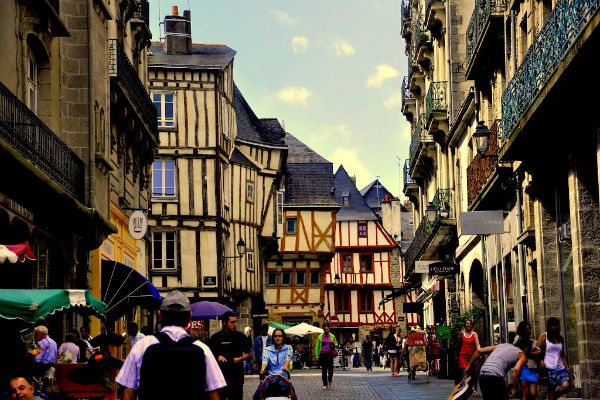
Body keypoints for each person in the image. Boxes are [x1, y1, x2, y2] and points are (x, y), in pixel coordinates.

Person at [115, 290, 226, 400]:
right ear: (190, 318)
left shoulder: (142, 346)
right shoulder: (203, 349)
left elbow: (129, 391)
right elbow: (213, 395)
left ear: (160, 315)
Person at [209, 311, 252, 400]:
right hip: (221, 375)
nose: (235, 324)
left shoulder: (240, 336)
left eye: (236, 322)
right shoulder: (215, 337)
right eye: (232, 322)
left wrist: (238, 359)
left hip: (237, 375)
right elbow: (210, 355)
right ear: (224, 322)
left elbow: (249, 353)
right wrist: (218, 356)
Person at [537, 317, 570, 400]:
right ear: (549, 326)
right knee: (551, 390)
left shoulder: (560, 338)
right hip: (549, 367)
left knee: (566, 386)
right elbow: (536, 350)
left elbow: (562, 354)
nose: (556, 327)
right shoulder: (544, 336)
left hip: (560, 367)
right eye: (554, 326)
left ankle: (555, 395)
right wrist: (540, 361)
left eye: (557, 326)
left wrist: (566, 367)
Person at [513, 321, 540, 400]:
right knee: (525, 392)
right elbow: (518, 351)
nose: (528, 330)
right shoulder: (518, 339)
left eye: (529, 328)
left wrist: (529, 353)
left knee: (533, 393)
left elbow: (538, 352)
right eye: (526, 328)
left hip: (532, 367)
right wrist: (530, 353)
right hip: (523, 367)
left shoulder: (532, 341)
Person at [458, 320, 481, 392]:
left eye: (470, 324)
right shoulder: (462, 334)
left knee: (473, 373)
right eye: (467, 323)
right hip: (463, 356)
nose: (468, 325)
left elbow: (478, 346)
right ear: (465, 325)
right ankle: (465, 389)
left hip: (472, 356)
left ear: (471, 325)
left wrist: (480, 352)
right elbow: (458, 345)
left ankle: (475, 388)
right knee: (464, 372)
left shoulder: (474, 334)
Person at [314, 322, 338, 389]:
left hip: (330, 354)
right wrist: (317, 356)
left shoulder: (332, 336)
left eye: (327, 329)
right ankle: (325, 384)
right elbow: (317, 347)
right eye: (325, 329)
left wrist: (334, 343)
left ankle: (330, 380)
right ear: (323, 329)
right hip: (323, 354)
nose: (326, 330)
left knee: (330, 369)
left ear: (329, 329)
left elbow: (336, 344)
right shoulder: (320, 336)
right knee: (324, 370)